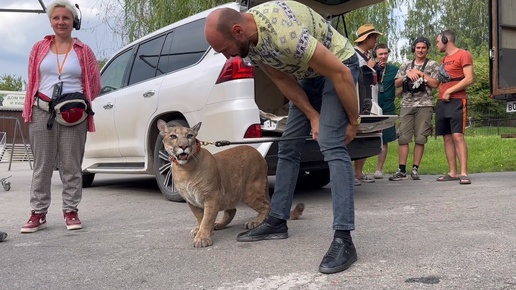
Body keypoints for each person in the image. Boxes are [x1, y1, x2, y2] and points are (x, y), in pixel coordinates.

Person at [204, 1, 361, 274]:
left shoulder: (283, 33)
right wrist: (312, 115)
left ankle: (344, 239)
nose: (227, 58)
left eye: (224, 50)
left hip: (338, 67)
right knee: (288, 146)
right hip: (308, 77)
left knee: (331, 144)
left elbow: (341, 73)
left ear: (238, 30)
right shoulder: (250, 46)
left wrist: (354, 121)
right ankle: (277, 221)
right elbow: (281, 79)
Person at [20, 0, 101, 233]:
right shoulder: (38, 48)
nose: (61, 22)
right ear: (50, 21)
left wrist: (76, 103)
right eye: (56, 18)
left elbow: (94, 85)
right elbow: (32, 82)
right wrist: (30, 110)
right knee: (42, 164)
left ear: (73, 21)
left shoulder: (84, 51)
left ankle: (71, 210)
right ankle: (38, 213)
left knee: (71, 164)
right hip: (42, 111)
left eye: (65, 18)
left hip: (73, 114)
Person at [389, 37, 440, 181]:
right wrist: (408, 75)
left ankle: (415, 169)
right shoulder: (406, 65)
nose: (420, 50)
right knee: (403, 137)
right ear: (414, 49)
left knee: (420, 137)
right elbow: (396, 83)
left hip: (425, 105)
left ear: (427, 49)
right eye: (418, 48)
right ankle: (401, 169)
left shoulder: (433, 65)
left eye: (423, 47)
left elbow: (435, 83)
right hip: (407, 104)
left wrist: (421, 74)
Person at [435, 30, 474, 185]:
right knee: (447, 137)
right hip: (442, 101)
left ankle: (464, 172)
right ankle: (453, 172)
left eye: (438, 41)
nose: (437, 44)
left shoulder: (463, 54)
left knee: (458, 135)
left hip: (457, 100)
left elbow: (469, 78)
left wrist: (450, 91)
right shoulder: (444, 59)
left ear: (446, 39)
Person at [352, 24, 382, 185]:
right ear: (367, 38)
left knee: (364, 134)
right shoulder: (353, 55)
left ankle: (359, 172)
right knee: (353, 135)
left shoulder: (367, 55)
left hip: (369, 101)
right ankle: (349, 174)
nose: (376, 41)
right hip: (356, 101)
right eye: (374, 38)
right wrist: (367, 67)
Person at [371, 44, 398, 179]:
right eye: (380, 54)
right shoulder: (369, 67)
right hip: (371, 107)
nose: (383, 56)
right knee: (367, 137)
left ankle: (379, 170)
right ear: (375, 54)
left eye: (385, 53)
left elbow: (400, 84)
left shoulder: (394, 70)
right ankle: (359, 172)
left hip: (387, 107)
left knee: (385, 139)